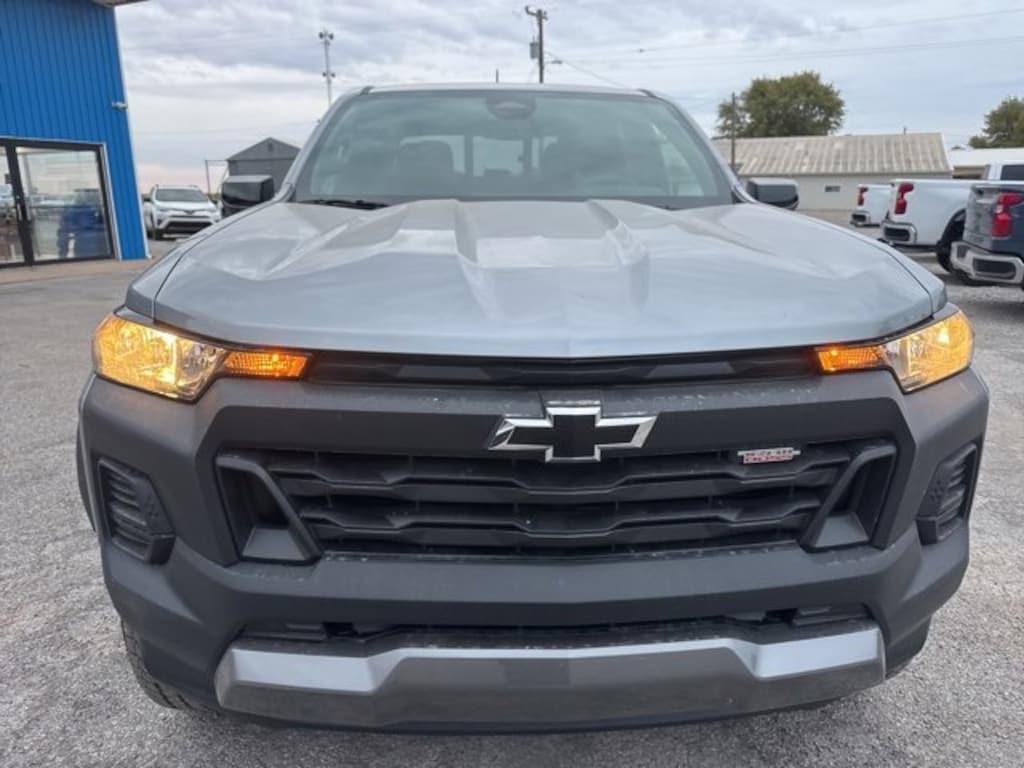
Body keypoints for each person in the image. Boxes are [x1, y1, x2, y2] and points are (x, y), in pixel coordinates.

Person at [57, 189, 109, 259]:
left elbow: (63, 234)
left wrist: (62, 254)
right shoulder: (95, 210)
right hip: (91, 248)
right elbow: (63, 234)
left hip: (90, 248)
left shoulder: (96, 210)